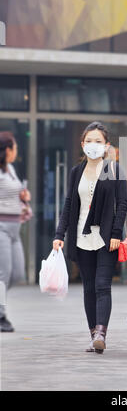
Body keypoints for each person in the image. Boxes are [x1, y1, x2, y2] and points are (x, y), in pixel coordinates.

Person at [53, 122, 127, 353]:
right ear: (82, 144)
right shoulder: (77, 172)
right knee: (88, 288)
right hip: (81, 237)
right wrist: (60, 234)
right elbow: (68, 204)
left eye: (98, 141)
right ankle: (93, 335)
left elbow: (123, 204)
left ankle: (101, 334)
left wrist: (117, 233)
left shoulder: (114, 170)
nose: (93, 145)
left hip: (106, 238)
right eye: (89, 141)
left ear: (106, 146)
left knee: (102, 285)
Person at [0, 131, 31, 332]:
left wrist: (23, 195)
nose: (16, 152)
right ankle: (1, 316)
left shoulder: (10, 169)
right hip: (1, 226)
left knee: (17, 272)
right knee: (4, 274)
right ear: (7, 150)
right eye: (15, 148)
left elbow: (13, 192)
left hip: (15, 227)